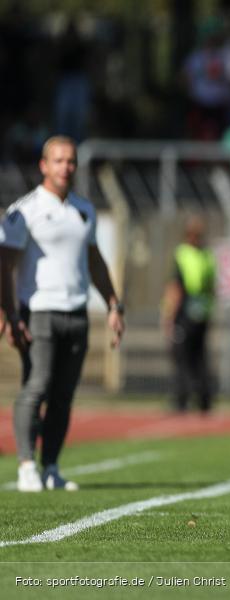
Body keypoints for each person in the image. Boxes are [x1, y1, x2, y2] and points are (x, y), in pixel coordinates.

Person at [0, 135, 125, 493]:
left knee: (64, 394)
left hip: (77, 311)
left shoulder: (83, 210)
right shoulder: (25, 210)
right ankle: (26, 464)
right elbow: (5, 265)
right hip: (38, 310)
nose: (65, 167)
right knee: (36, 385)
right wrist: (10, 313)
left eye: (70, 161)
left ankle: (51, 466)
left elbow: (94, 260)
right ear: (43, 165)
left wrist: (114, 303)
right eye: (58, 161)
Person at [160, 215, 216, 414]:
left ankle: (181, 400)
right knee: (199, 358)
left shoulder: (182, 254)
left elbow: (176, 287)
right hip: (202, 312)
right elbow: (211, 288)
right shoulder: (208, 256)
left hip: (185, 313)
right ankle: (204, 400)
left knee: (182, 357)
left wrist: (168, 316)